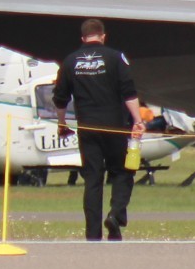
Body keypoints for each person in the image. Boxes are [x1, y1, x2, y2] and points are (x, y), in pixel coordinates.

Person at [52, 18, 144, 240]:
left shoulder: (70, 61)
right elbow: (128, 91)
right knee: (124, 171)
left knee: (93, 180)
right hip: (114, 127)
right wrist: (138, 120)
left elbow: (60, 98)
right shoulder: (115, 57)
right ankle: (116, 215)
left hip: (87, 127)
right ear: (103, 36)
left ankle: (93, 234)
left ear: (83, 38)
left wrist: (62, 123)